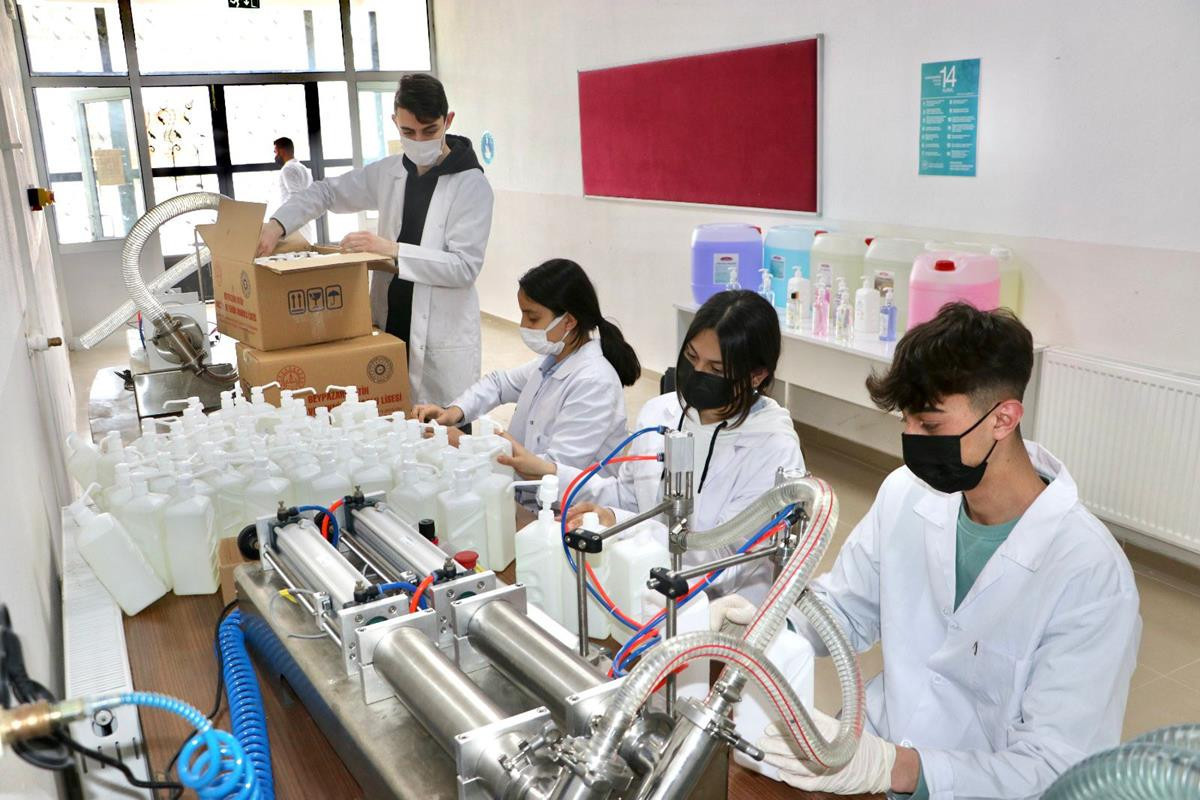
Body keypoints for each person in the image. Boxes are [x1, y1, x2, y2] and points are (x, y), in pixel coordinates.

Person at [712, 303, 1141, 799]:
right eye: (906, 421)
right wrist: (768, 624)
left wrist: (896, 768)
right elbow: (845, 609)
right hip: (873, 753)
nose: (911, 440)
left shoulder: (1091, 574)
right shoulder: (906, 494)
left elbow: (1054, 767)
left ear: (1003, 419)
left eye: (931, 426)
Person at [502, 290, 804, 604]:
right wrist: (551, 473)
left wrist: (623, 526)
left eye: (716, 369)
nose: (698, 373)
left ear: (757, 375)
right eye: (691, 357)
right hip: (641, 584)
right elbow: (629, 497)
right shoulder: (661, 412)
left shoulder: (773, 449)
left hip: (720, 609)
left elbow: (725, 558)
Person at [256, 74, 494, 407]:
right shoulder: (390, 171)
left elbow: (464, 267)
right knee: (391, 415)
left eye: (430, 131)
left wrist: (391, 251)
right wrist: (277, 224)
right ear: (395, 122)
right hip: (392, 318)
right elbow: (326, 192)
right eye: (408, 132)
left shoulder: (471, 185)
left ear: (448, 121)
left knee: (440, 426)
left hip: (440, 334)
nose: (419, 140)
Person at [411, 258, 640, 474]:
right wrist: (454, 412)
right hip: (526, 489)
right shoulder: (553, 362)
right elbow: (499, 384)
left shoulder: (595, 384)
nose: (523, 325)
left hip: (568, 499)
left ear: (569, 321)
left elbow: (553, 470)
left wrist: (466, 444)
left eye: (532, 318)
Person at [271, 136, 314, 243]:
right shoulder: (304, 168)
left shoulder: (287, 169)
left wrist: (279, 219)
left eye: (275, 152)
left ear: (282, 151)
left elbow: (294, 196)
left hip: (292, 221)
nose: (275, 156)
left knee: (295, 250)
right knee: (306, 247)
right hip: (305, 218)